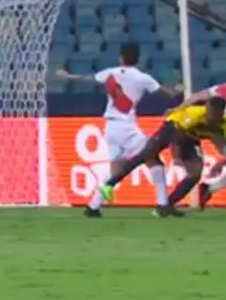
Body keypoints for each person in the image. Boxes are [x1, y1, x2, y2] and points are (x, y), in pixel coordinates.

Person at [55, 43, 182, 217]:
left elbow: (88, 78)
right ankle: (162, 204)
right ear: (139, 58)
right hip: (126, 127)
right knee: (153, 158)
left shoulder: (111, 73)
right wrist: (178, 90)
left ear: (121, 57)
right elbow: (166, 94)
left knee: (117, 171)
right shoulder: (142, 78)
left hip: (110, 127)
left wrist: (68, 76)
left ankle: (93, 206)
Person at [98, 96, 226, 216]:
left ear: (221, 113)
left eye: (214, 114)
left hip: (191, 138)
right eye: (209, 112)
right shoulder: (194, 114)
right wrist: (176, 157)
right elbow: (177, 136)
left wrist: (221, 161)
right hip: (172, 128)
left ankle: (167, 205)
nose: (210, 117)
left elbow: (221, 142)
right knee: (147, 154)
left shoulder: (223, 124)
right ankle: (109, 184)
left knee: (195, 174)